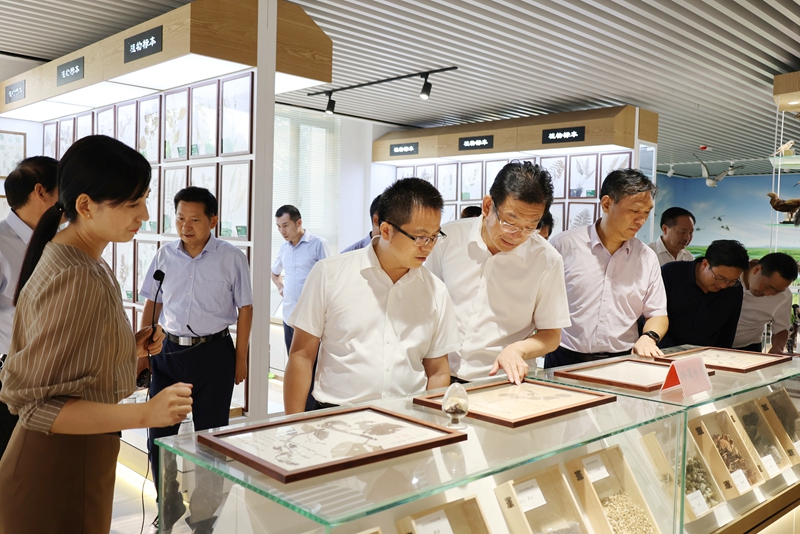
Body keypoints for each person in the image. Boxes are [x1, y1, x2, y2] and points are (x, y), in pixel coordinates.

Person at [0, 135, 190, 534]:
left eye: (145, 199)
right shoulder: (75, 273)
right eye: (132, 203)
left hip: (76, 455)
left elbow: (69, 360)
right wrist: (145, 413)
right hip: (57, 465)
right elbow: (39, 408)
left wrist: (123, 347)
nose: (144, 214)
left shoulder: (80, 257)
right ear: (86, 206)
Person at [283, 178, 460, 414]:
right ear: (386, 230)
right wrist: (294, 425)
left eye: (434, 236)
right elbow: (302, 356)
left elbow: (437, 370)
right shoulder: (329, 274)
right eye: (419, 237)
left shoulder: (436, 291)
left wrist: (431, 423)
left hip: (407, 418)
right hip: (336, 416)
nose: (428, 246)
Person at [140, 186, 253, 533]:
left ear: (213, 220)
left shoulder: (231, 257)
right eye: (180, 219)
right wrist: (142, 352)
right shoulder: (164, 255)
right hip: (168, 352)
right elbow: (153, 303)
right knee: (159, 435)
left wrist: (241, 358)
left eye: (194, 220)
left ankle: (204, 513)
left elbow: (245, 309)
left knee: (211, 437)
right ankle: (168, 501)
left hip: (214, 353)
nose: (185, 227)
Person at [426, 161, 569, 384]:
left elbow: (551, 335)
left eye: (530, 227)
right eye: (510, 222)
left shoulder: (546, 260)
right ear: (487, 206)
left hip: (501, 381)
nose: (517, 235)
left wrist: (518, 349)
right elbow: (426, 304)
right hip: (438, 375)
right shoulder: (447, 239)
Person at [546, 168, 668, 368]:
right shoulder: (564, 246)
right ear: (606, 204)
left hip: (622, 360)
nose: (641, 220)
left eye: (647, 212)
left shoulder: (647, 258)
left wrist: (649, 337)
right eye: (634, 210)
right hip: (564, 357)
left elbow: (657, 313)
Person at [0, 156, 58, 460]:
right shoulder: (1, 245)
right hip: (8, 382)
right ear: (41, 192)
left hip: (52, 382)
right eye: (65, 190)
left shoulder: (57, 243)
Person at [660, 240, 749, 349]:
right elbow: (653, 316)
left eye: (732, 281)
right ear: (705, 264)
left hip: (707, 355)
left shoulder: (734, 290)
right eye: (720, 278)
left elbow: (728, 331)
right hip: (663, 352)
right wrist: (672, 352)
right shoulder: (670, 274)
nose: (723, 286)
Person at [271, 205, 331, 355]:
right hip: (289, 316)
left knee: (311, 363)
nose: (282, 231)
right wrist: (280, 287)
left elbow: (331, 277)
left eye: (285, 225)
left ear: (298, 223)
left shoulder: (318, 244)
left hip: (311, 318)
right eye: (278, 227)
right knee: (292, 360)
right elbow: (274, 272)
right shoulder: (284, 247)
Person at [733, 253, 798, 353]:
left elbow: (781, 329)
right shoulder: (731, 277)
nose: (768, 294)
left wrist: (777, 348)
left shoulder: (784, 296)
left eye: (777, 291)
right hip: (712, 342)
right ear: (757, 270)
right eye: (769, 286)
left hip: (748, 348)